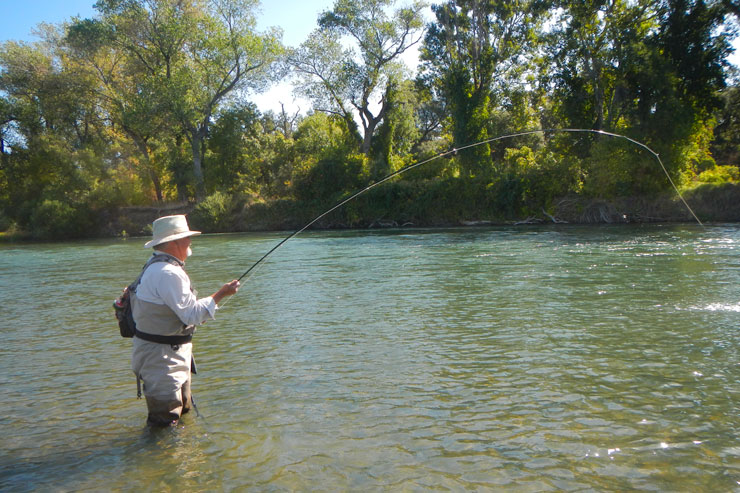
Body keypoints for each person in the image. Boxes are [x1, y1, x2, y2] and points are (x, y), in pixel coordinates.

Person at [131, 214, 239, 427]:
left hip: (166, 354)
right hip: (161, 360)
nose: (190, 242)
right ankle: (162, 458)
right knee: (163, 424)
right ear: (174, 243)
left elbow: (182, 313)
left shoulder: (155, 266)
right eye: (186, 238)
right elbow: (191, 315)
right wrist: (221, 294)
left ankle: (178, 456)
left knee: (180, 416)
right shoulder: (168, 273)